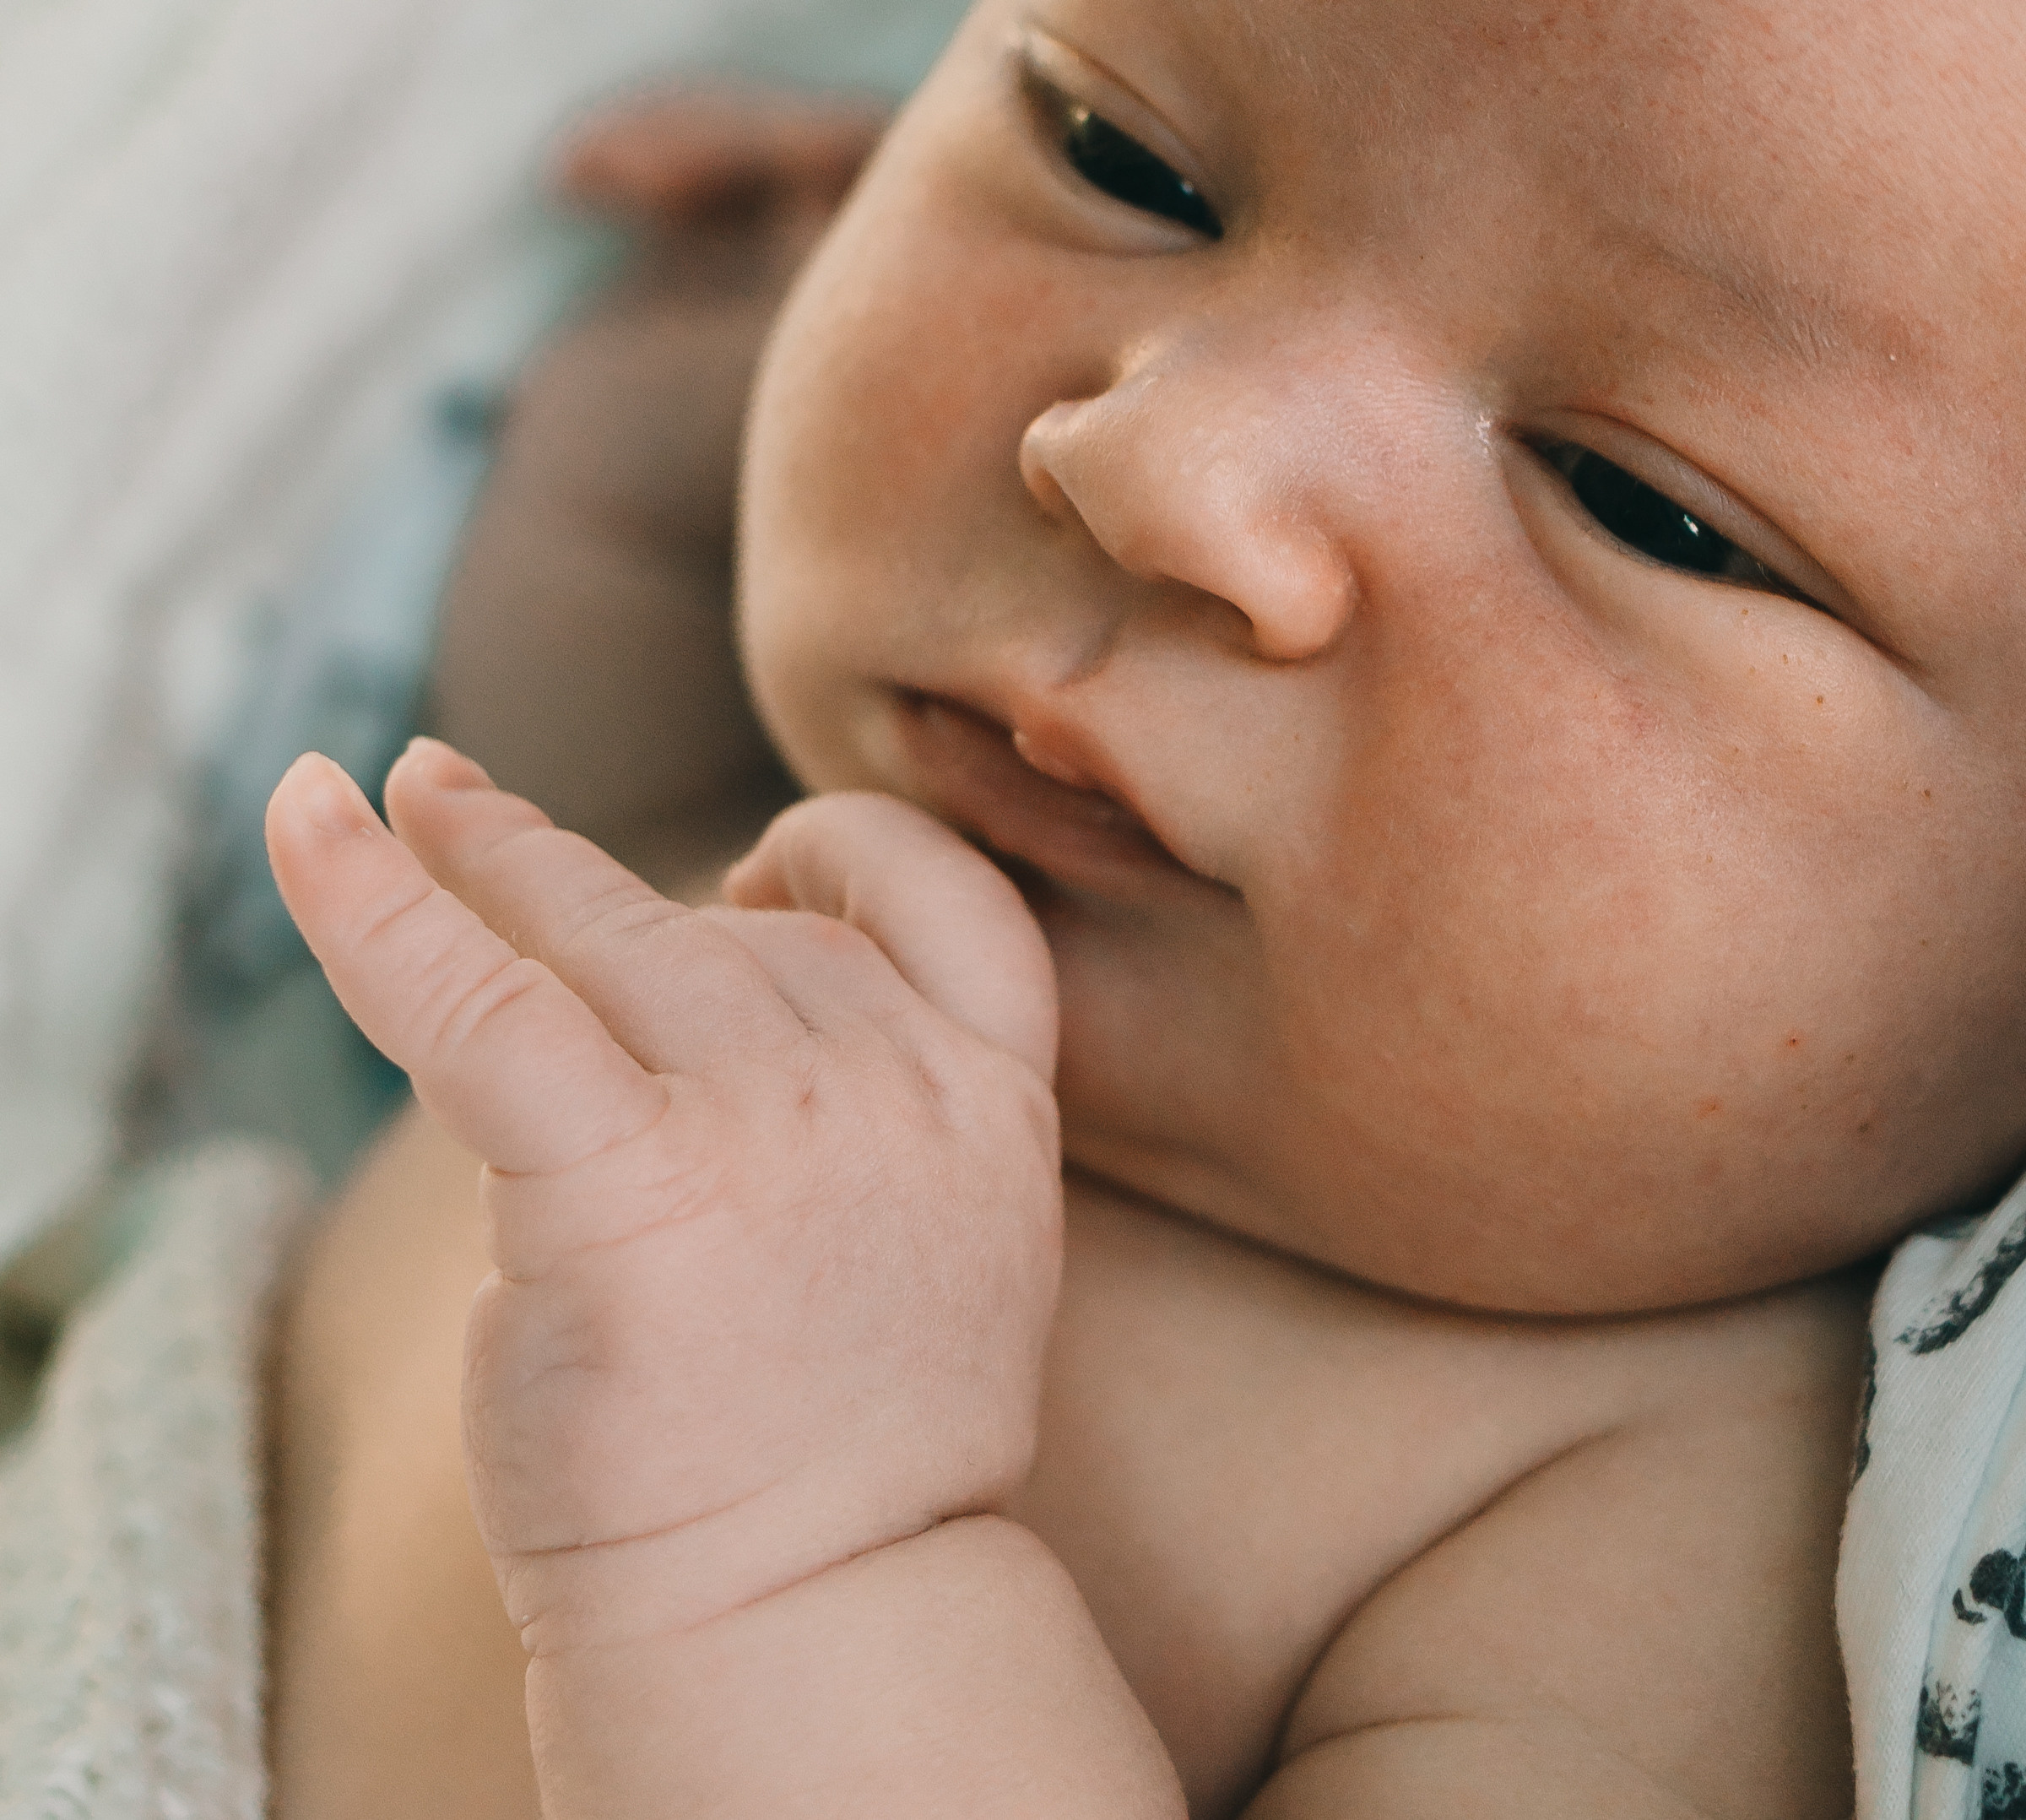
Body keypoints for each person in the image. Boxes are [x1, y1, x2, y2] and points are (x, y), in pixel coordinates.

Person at [263, 0, 2026, 1812]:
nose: (1158, 466)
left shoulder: (1645, 1542)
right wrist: (648, 428)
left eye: (1643, 507)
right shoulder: (819, 851)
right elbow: (596, 827)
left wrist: (798, 1549)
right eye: (1119, 158)